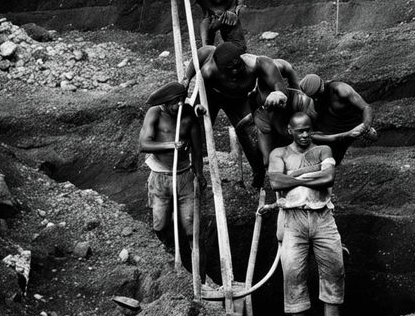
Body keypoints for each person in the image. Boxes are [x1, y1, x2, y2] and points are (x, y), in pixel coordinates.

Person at [265, 112, 346, 316]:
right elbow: (275, 181)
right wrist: (311, 174)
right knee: (292, 269)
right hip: (293, 218)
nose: (305, 134)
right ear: (290, 130)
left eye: (308, 129)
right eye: (299, 130)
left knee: (334, 265)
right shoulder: (279, 153)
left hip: (322, 216)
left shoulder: (322, 150)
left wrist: (291, 179)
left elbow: (328, 178)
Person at [183, 41, 288, 188]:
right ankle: (194, 174)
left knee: (250, 133)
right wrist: (187, 79)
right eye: (228, 69)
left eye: (237, 66)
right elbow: (200, 53)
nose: (234, 72)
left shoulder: (256, 64)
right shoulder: (209, 66)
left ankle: (258, 172)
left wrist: (278, 91)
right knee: (196, 133)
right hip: (210, 97)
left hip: (237, 100)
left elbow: (278, 83)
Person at [138, 80, 205, 263]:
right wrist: (171, 145)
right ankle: (168, 249)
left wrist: (199, 174)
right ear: (165, 104)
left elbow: (198, 151)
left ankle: (196, 258)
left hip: (184, 176)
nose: (179, 105)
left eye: (182, 101)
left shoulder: (188, 115)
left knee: (191, 226)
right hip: (160, 177)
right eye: (175, 102)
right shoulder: (155, 114)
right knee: (160, 225)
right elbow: (144, 144)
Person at [299, 74, 377, 164]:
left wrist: (366, 125)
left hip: (352, 126)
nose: (315, 98)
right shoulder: (311, 100)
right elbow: (311, 130)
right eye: (313, 97)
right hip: (333, 132)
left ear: (321, 87)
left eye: (316, 95)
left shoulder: (341, 89)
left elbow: (366, 107)